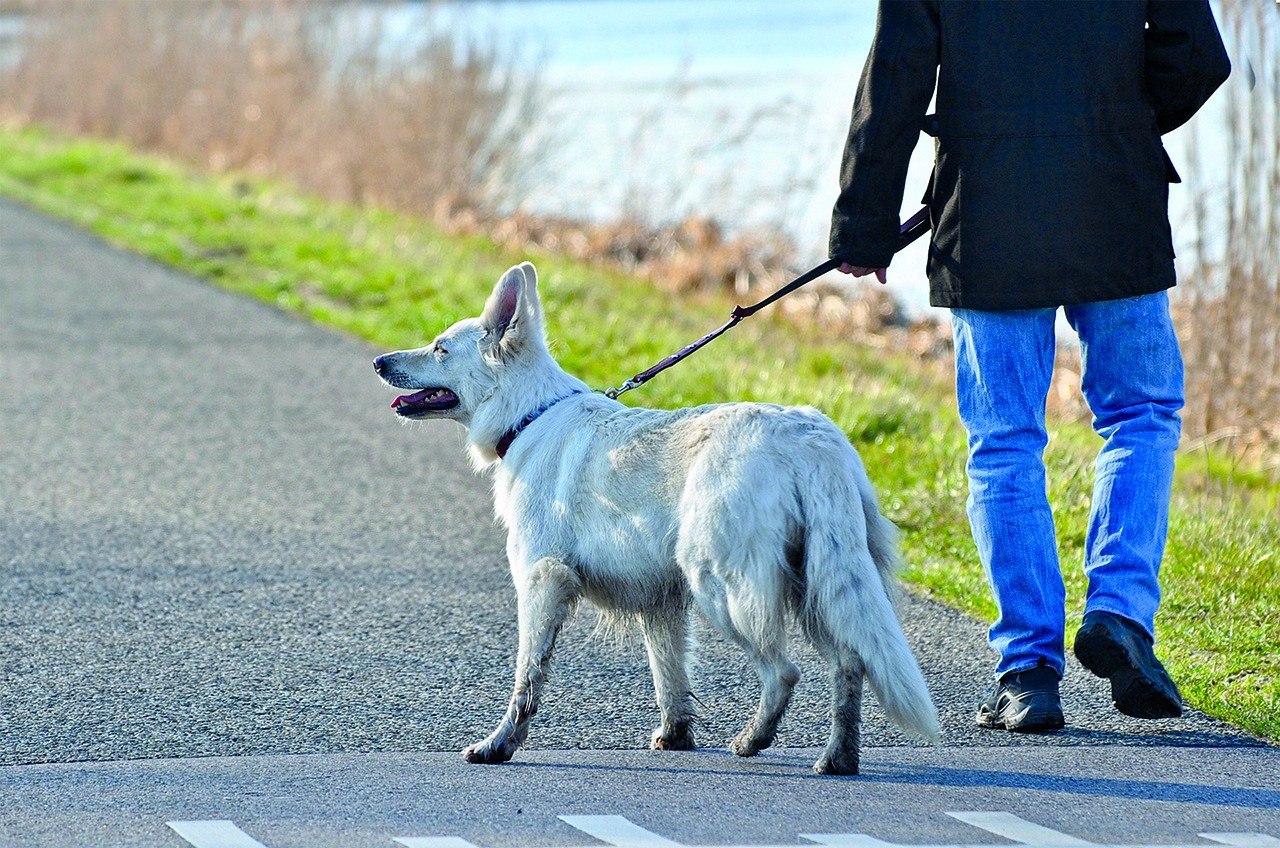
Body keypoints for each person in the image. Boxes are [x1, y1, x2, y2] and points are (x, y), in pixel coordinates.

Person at [829, 1, 1230, 731]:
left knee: (1005, 439)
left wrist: (864, 223)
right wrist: (1116, 121)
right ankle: (1119, 613)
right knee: (1141, 415)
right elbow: (1198, 59)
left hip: (989, 212)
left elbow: (895, 79)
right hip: (1116, 198)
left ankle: (1028, 673)